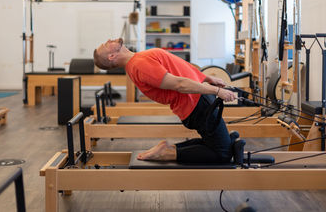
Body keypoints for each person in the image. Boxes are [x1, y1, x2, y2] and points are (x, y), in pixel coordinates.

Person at [93, 38, 237, 163]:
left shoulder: (139, 58)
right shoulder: (139, 65)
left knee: (216, 145)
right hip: (195, 103)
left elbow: (178, 66)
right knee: (222, 153)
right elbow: (179, 84)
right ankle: (167, 153)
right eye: (106, 44)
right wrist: (217, 91)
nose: (109, 40)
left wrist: (206, 78)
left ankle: (169, 148)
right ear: (112, 56)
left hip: (197, 99)